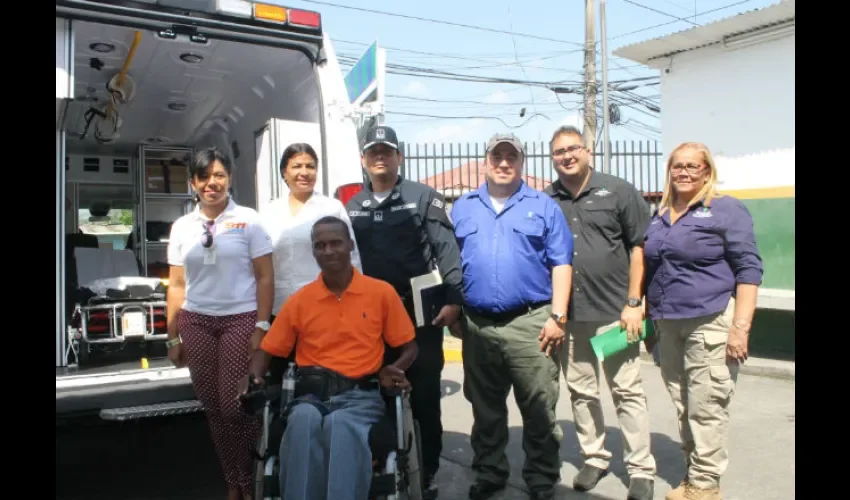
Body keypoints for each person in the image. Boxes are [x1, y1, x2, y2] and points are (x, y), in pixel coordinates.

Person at [244, 215, 419, 500]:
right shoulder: (301, 300)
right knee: (302, 421)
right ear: (313, 251)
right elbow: (268, 350)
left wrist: (395, 368)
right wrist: (253, 377)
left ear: (350, 245)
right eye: (320, 245)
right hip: (309, 395)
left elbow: (409, 347)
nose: (328, 251)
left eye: (335, 243)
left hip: (360, 396)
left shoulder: (380, 293)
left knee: (340, 425)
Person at [450, 133, 573, 500]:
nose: (504, 163)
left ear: (521, 162)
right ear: (485, 160)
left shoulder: (544, 206)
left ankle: (541, 476)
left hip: (531, 322)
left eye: (511, 157)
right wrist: (455, 310)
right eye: (497, 156)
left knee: (538, 407)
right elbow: (450, 265)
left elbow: (562, 263)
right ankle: (489, 472)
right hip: (477, 323)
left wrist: (558, 317)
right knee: (485, 409)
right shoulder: (463, 207)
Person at [344, 124, 464, 499]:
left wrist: (454, 299)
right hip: (368, 316)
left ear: (400, 157)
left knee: (425, 392)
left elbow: (447, 251)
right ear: (363, 159)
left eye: (387, 150)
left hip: (419, 311)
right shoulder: (351, 205)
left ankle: (425, 471)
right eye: (373, 151)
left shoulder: (424, 197)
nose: (380, 156)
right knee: (371, 390)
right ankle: (380, 464)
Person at [542, 126, 656, 500]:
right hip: (571, 317)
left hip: (615, 315)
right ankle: (595, 456)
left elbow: (638, 248)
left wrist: (634, 303)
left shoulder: (618, 190)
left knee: (627, 391)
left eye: (573, 148)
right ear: (552, 157)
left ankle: (640, 468)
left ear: (588, 151)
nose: (567, 156)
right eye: (559, 152)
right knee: (581, 392)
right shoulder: (547, 198)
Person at [644, 142, 763, 500]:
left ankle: (705, 486)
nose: (683, 172)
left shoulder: (725, 210)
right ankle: (693, 474)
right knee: (684, 403)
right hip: (669, 323)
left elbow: (749, 270)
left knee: (707, 404)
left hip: (710, 321)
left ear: (707, 171)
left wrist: (740, 328)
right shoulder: (661, 213)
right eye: (677, 166)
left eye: (692, 166)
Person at [165, 146, 275, 500]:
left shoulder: (249, 220)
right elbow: (178, 285)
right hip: (196, 322)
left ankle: (250, 474)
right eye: (204, 177)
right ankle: (234, 481)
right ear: (193, 182)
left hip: (240, 320)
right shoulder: (182, 226)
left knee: (235, 405)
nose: (212, 183)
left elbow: (264, 278)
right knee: (212, 407)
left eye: (219, 176)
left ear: (230, 179)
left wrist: (262, 325)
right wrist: (172, 338)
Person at [259, 142, 361, 371]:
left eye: (310, 166)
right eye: (296, 166)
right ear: (284, 172)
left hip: (324, 310)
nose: (304, 172)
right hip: (280, 311)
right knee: (280, 379)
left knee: (320, 376)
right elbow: (260, 266)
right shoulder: (268, 212)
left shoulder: (331, 208)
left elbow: (352, 260)